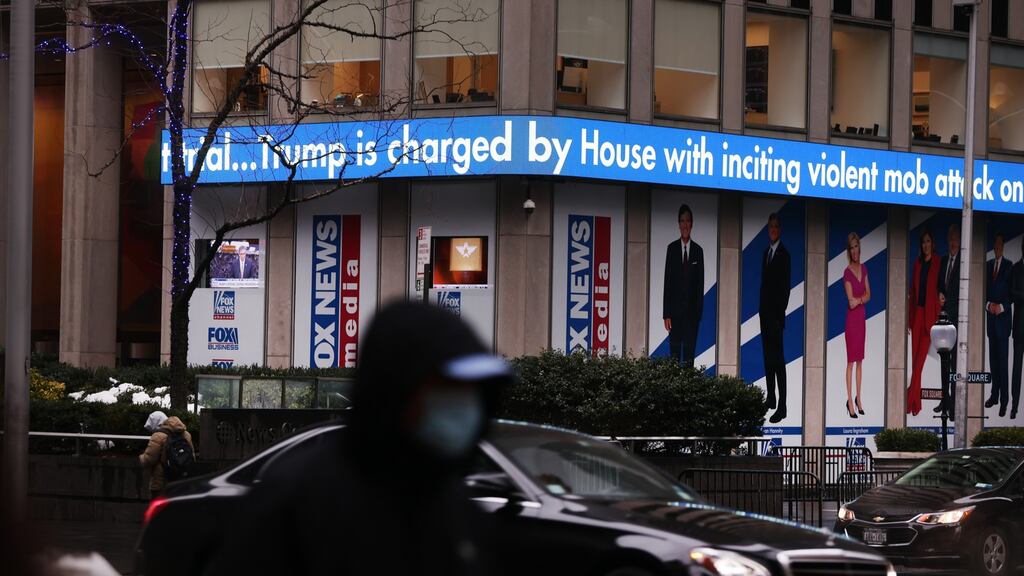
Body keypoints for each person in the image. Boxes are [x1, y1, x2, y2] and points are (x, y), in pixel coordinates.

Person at [208, 302, 513, 575]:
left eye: (472, 392)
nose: (465, 406)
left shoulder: (455, 507)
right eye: (447, 388)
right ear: (397, 391)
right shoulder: (296, 502)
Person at [663, 204, 704, 367]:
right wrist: (666, 314)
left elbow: (700, 285)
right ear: (678, 224)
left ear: (691, 224)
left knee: (688, 359)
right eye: (682, 221)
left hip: (691, 316)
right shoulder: (671, 249)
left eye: (688, 221)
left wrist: (698, 314)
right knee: (673, 358)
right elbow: (667, 283)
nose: (685, 225)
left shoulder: (698, 251)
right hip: (674, 315)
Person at [759, 213, 791, 424]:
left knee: (778, 361)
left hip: (776, 318)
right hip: (764, 314)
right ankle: (770, 397)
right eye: (770, 226)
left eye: (775, 226)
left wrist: (779, 316)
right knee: (768, 358)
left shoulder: (784, 255)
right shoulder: (766, 253)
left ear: (779, 229)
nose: (772, 229)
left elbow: (785, 288)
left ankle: (782, 405)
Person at [906, 229, 941, 417]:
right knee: (914, 363)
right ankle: (915, 405)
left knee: (919, 364)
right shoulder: (917, 264)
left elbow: (941, 289)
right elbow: (912, 293)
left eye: (928, 241)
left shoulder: (938, 262)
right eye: (923, 242)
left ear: (932, 244)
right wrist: (909, 319)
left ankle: (910, 400)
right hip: (917, 315)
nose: (925, 245)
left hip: (930, 317)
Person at [843, 232, 870, 419]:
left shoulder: (864, 268)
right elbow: (851, 302)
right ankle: (850, 402)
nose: (854, 250)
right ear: (849, 250)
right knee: (851, 362)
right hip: (852, 321)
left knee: (860, 360)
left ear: (859, 248)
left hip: (861, 320)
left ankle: (859, 398)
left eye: (856, 246)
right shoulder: (847, 272)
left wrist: (860, 299)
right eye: (851, 247)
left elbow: (869, 294)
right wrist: (862, 299)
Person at [138, 411, 194, 499]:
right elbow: (191, 455)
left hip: (162, 480)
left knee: (160, 506)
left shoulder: (158, 436)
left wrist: (141, 458)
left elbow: (149, 459)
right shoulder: (186, 434)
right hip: (182, 479)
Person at [987, 232, 1013, 417]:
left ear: (1003, 246)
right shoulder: (988, 265)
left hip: (1003, 323)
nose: (997, 247)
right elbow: (983, 291)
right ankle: (994, 396)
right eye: (995, 244)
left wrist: (1001, 307)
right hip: (991, 322)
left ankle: (1004, 401)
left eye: (999, 244)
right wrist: (989, 305)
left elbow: (1011, 294)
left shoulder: (1009, 266)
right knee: (993, 363)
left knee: (1003, 365)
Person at [936, 225, 961, 417]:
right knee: (944, 362)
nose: (953, 242)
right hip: (944, 320)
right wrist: (940, 294)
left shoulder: (963, 261)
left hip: (957, 320)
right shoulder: (944, 260)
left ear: (960, 241)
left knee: (954, 365)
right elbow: (940, 285)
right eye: (951, 239)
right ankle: (945, 399)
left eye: (956, 239)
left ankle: (953, 405)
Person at [1011, 235, 1024, 420]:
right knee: (1017, 370)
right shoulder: (1015, 268)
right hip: (1019, 327)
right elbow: (1012, 293)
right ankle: (1014, 406)